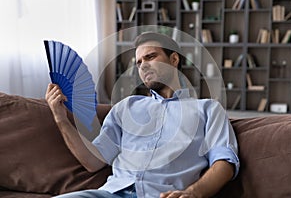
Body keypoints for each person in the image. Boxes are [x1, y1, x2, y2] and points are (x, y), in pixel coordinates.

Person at [46, 32, 239, 198]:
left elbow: (224, 162)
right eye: (138, 62)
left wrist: (193, 193)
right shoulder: (126, 107)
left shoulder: (208, 109)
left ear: (174, 59)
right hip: (110, 194)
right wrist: (60, 118)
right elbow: (93, 162)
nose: (143, 65)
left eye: (150, 57)